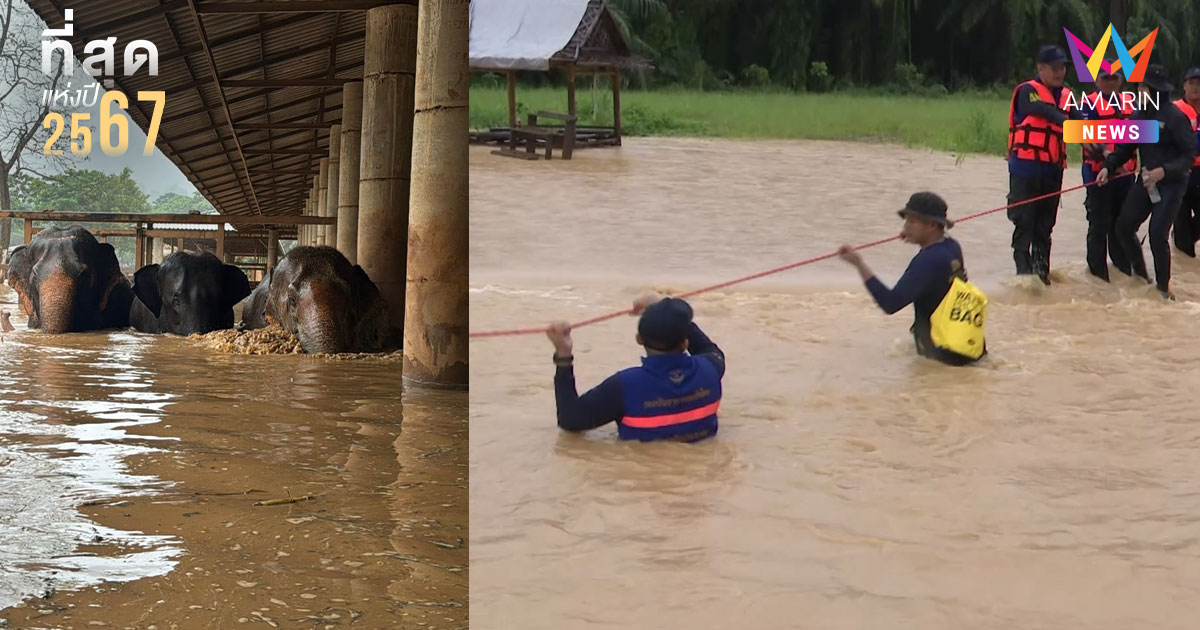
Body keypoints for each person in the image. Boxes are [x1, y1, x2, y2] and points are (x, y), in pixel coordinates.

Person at [545, 293, 726, 443]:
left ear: (639, 339)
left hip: (645, 478)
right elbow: (707, 348)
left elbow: (570, 420)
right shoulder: (711, 368)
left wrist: (563, 354)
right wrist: (665, 312)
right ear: (685, 342)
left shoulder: (625, 386)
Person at [838, 192, 986, 366]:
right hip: (967, 346)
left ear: (931, 225)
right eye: (906, 221)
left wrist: (859, 264)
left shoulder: (928, 261)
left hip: (939, 356)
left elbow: (890, 304)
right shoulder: (952, 246)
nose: (906, 227)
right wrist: (917, 236)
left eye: (912, 222)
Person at [1096, 64, 1198, 300]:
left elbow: (1188, 156)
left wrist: (1164, 171)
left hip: (1171, 183)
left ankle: (1163, 289)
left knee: (1156, 234)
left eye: (1143, 87)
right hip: (1146, 182)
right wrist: (1107, 167)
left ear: (1155, 90)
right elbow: (1125, 148)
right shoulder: (1138, 115)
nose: (1139, 91)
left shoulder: (1175, 117)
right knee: (1123, 226)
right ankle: (1142, 276)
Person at [1006, 45, 1085, 285]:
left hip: (1052, 170)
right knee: (1024, 223)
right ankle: (1023, 279)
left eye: (1063, 67)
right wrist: (1072, 126)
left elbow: (1081, 122)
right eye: (1054, 67)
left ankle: (1042, 278)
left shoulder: (1067, 96)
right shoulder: (1028, 91)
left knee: (1044, 228)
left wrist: (1099, 147)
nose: (1060, 72)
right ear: (1040, 68)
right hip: (1025, 170)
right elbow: (1042, 111)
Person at [1077, 65, 1135, 281]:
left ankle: (1123, 272)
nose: (1110, 82)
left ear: (1120, 81)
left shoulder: (1130, 103)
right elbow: (1084, 136)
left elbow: (1140, 136)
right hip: (1096, 172)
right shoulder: (1087, 103)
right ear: (1096, 81)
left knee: (1122, 223)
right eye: (1105, 78)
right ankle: (1098, 276)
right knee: (1100, 222)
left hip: (1125, 174)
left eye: (1114, 78)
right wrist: (1110, 161)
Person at [1171, 66, 1200, 256]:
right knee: (1184, 246)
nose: (1196, 87)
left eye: (1199, 84)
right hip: (1178, 175)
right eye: (1192, 83)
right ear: (1184, 86)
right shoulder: (1173, 111)